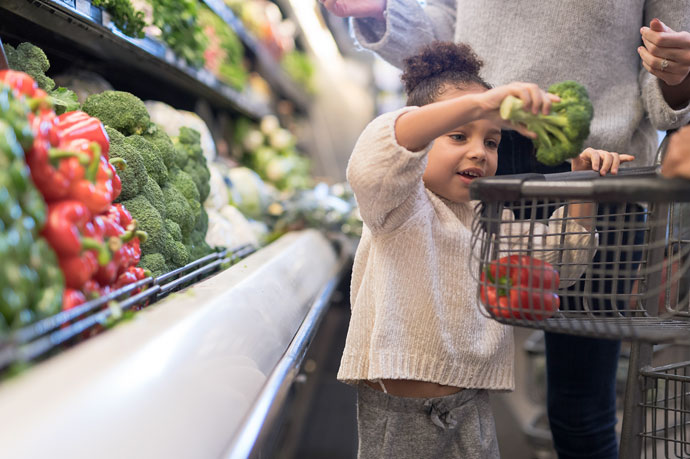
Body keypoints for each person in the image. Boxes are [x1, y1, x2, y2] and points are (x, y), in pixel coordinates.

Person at [321, 2, 690, 457]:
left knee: (581, 406)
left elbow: (560, 263)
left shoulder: (492, 223)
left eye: (491, 141)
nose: (479, 152)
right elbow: (380, 153)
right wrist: (481, 104)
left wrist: (582, 187)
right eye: (458, 134)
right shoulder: (396, 205)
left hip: (474, 408)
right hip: (400, 417)